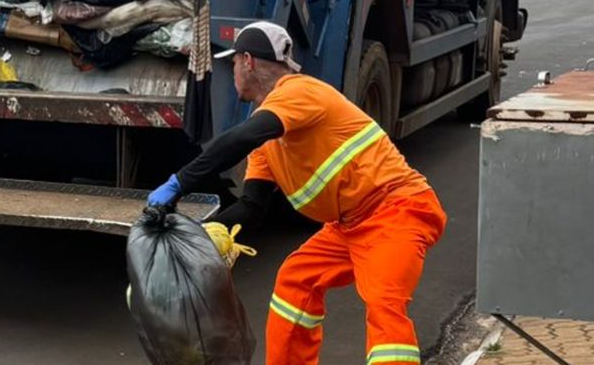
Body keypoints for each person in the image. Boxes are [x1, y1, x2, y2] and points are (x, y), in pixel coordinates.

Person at [148, 21, 446, 365]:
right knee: (296, 282)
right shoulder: (269, 137)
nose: (231, 71)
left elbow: (240, 138)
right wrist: (192, 234)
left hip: (397, 210)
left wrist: (178, 184)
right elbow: (251, 207)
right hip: (349, 224)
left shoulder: (298, 92)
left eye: (233, 63)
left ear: (249, 61)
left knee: (384, 303)